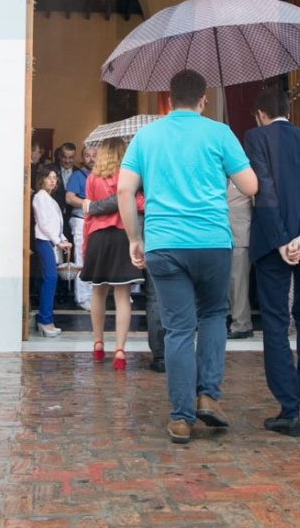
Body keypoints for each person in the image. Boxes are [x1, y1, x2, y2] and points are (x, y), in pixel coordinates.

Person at [117, 69, 257, 444]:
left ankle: (181, 418)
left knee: (179, 328)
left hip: (163, 242)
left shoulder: (146, 136)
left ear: (169, 97)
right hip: (212, 241)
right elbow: (251, 185)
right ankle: (208, 395)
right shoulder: (218, 132)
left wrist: (135, 237)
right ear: (203, 99)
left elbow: (124, 190)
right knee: (213, 315)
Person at [244, 87, 300, 437]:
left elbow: (263, 190)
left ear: (260, 115)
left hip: (272, 244)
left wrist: (283, 240)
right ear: (288, 111)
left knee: (275, 320)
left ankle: (288, 407)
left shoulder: (256, 138)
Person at [81, 138, 144, 370]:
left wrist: (85, 246)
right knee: (122, 294)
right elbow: (138, 203)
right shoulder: (128, 176)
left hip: (98, 236)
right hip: (122, 235)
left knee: (97, 292)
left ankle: (98, 344)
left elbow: (87, 215)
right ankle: (119, 350)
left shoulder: (92, 178)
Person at [31, 166, 70, 337]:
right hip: (44, 241)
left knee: (49, 279)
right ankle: (44, 320)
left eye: (55, 177)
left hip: (51, 241)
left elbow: (56, 225)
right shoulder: (40, 197)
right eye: (49, 177)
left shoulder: (50, 199)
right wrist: (57, 241)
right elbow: (44, 224)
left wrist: (62, 239)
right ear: (42, 179)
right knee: (51, 278)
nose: (53, 181)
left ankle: (47, 320)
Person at [64, 144, 97, 311]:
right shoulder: (78, 175)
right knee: (81, 259)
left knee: (95, 260)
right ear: (82, 158)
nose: (91, 158)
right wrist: (87, 204)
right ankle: (82, 297)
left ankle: (92, 295)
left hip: (97, 221)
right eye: (87, 155)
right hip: (81, 220)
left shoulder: (101, 175)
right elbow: (69, 198)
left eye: (94, 155)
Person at [227, 182, 254, 339]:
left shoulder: (247, 172)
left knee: (238, 281)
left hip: (240, 234)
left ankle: (241, 325)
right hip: (211, 234)